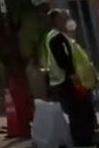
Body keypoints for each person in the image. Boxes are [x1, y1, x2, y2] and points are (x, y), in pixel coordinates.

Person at [44, 8, 98, 146]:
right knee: (79, 113)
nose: (68, 20)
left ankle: (87, 138)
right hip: (69, 82)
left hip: (73, 82)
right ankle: (83, 140)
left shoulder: (63, 37)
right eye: (65, 18)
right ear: (57, 21)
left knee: (84, 111)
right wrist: (75, 79)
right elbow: (64, 60)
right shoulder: (56, 37)